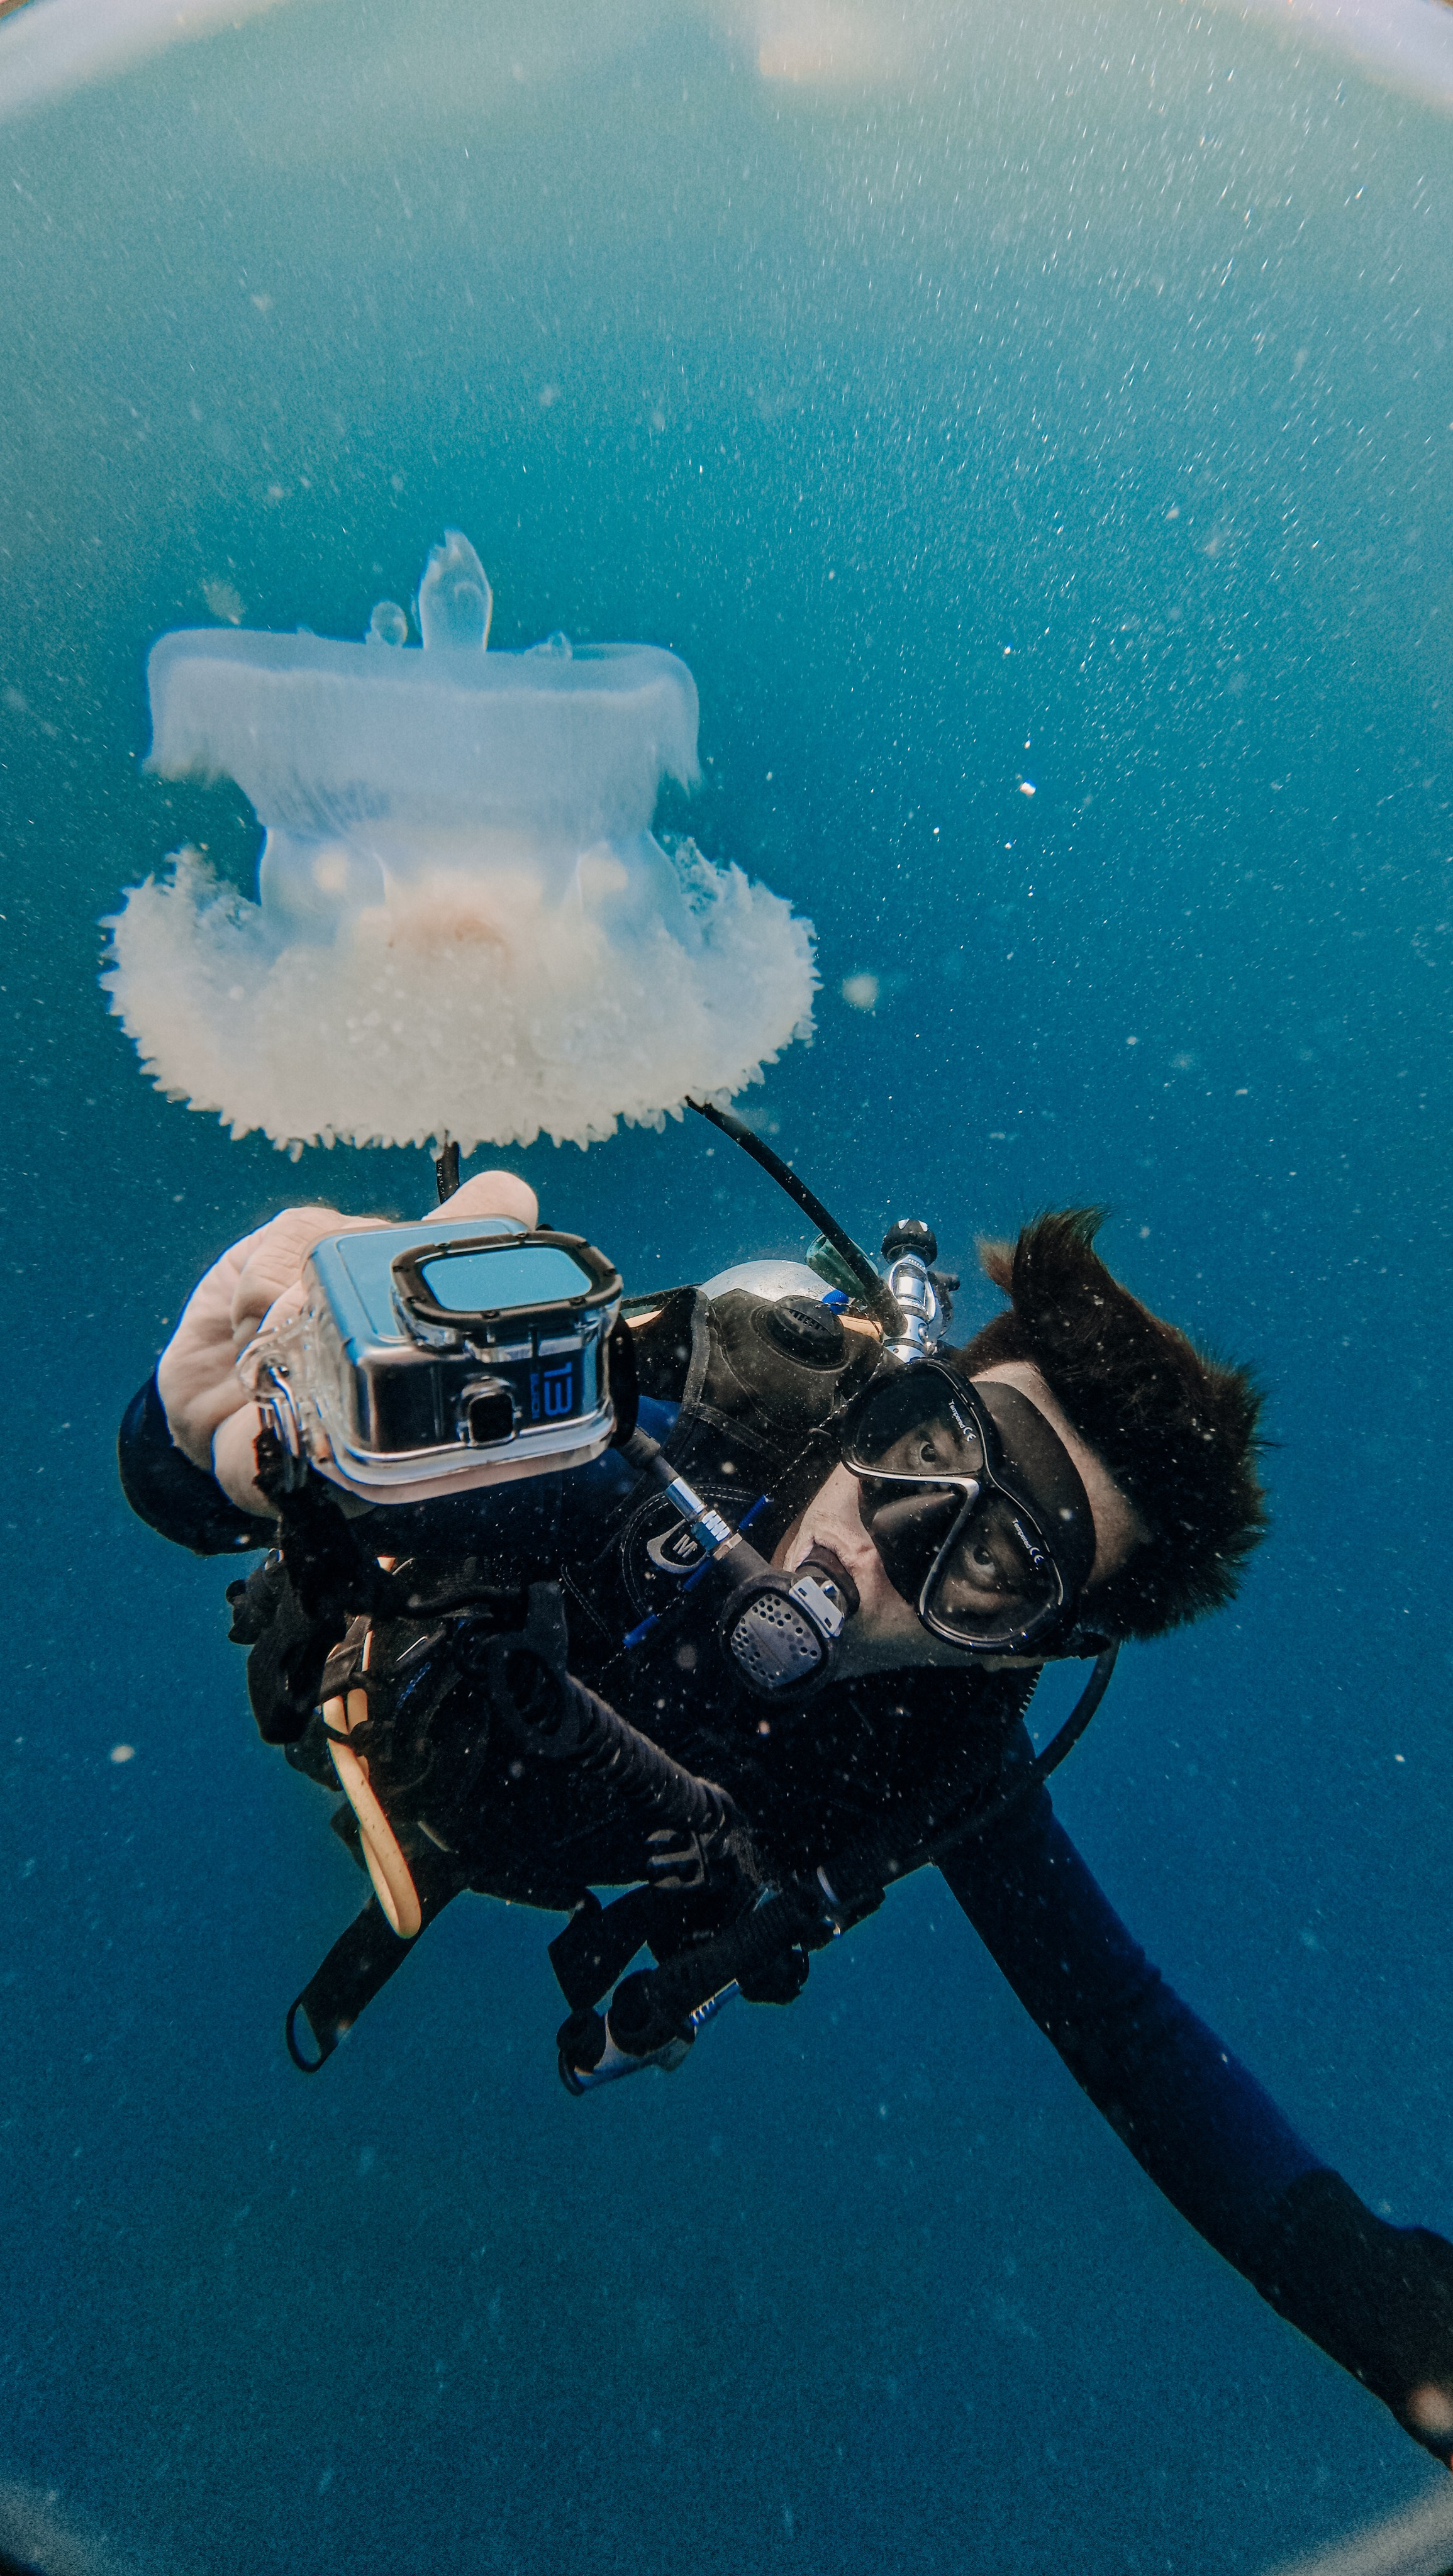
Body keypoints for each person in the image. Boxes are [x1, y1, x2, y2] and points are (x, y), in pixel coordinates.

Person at [118, 1161, 1453, 2466]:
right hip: (376, 1700)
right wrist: (192, 1435)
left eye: (990, 1558)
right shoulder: (681, 1421)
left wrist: (1387, 2310)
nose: (880, 1542)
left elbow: (1123, 2028)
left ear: (1028, 1644)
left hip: (513, 1830)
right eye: (926, 1453)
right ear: (893, 1395)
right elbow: (262, 1475)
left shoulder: (944, 1754)